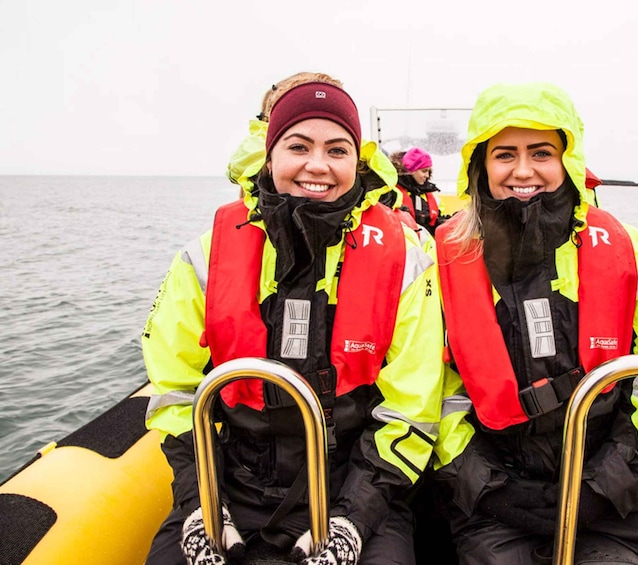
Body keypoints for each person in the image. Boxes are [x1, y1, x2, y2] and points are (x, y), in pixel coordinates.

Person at [142, 72, 445, 565]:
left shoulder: (407, 260)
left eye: (337, 149)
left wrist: (350, 521)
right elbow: (175, 393)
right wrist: (203, 507)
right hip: (234, 486)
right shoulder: (206, 257)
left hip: (358, 486)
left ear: (356, 160)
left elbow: (413, 406)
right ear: (270, 154)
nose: (317, 165)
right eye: (299, 146)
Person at [431, 81, 638, 564]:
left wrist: (602, 488)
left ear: (567, 160)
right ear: (480, 165)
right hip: (499, 491)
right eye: (504, 154)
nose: (523, 170)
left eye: (541, 153)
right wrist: (488, 488)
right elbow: (434, 391)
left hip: (627, 487)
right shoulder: (440, 262)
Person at [389, 146, 449, 235]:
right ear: (412, 170)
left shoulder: (431, 195)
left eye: (429, 171)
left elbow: (437, 222)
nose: (427, 175)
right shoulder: (393, 193)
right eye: (424, 171)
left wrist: (451, 221)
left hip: (428, 245)